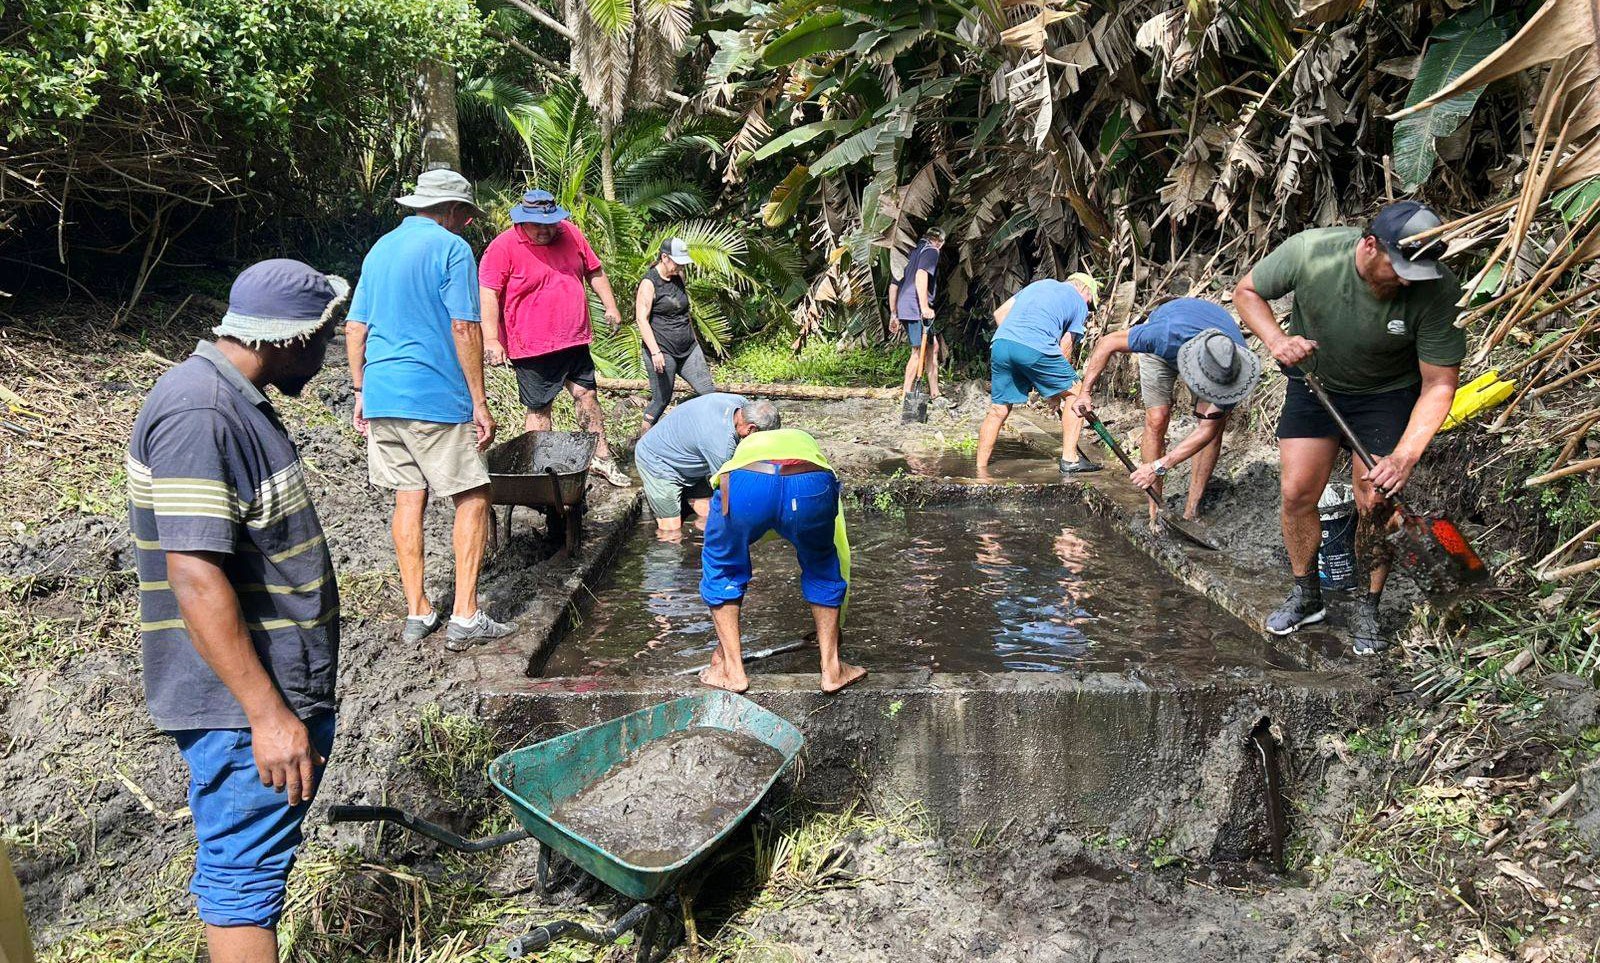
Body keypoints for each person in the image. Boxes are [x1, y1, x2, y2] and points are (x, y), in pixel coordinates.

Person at [128, 259, 347, 963]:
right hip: (240, 705)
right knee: (242, 880)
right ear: (288, 339)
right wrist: (268, 713)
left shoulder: (230, 400)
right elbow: (194, 577)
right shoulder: (204, 413)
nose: (330, 350)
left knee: (249, 870)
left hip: (263, 693)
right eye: (325, 335)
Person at [1233, 200, 1464, 655]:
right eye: (1398, 269)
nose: (1403, 281)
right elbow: (1247, 292)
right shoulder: (1311, 253)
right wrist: (1277, 340)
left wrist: (1404, 456)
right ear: (1369, 246)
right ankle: (1306, 595)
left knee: (1375, 500)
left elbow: (1439, 384)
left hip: (1387, 393)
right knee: (1298, 492)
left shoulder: (1436, 291)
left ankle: (1368, 605)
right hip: (1314, 383)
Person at [346, 168, 517, 650]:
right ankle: (465, 614)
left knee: (408, 495)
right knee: (473, 494)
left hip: (381, 393)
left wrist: (361, 391)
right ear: (451, 213)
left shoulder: (379, 249)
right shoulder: (452, 249)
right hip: (433, 395)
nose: (466, 225)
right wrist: (480, 404)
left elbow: (354, 329)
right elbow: (465, 328)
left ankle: (418, 611)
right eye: (465, 216)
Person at [697, 427, 867, 694]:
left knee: (723, 566)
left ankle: (733, 671)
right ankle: (832, 670)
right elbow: (841, 552)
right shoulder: (806, 443)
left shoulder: (744, 448)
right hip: (809, 482)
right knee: (822, 564)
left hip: (748, 482)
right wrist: (839, 627)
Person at [479, 189, 631, 487]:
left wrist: (611, 306)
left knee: (587, 396)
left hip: (574, 338)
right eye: (539, 225)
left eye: (551, 224)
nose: (547, 230)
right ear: (522, 222)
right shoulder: (503, 247)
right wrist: (491, 339)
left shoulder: (570, 234)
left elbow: (595, 271)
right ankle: (541, 473)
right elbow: (489, 294)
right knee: (539, 408)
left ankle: (601, 457)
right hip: (531, 346)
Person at [1072, 298, 1262, 524]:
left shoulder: (1233, 367)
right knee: (1157, 419)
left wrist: (1160, 466)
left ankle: (1191, 511)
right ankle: (1155, 509)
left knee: (1212, 425)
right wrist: (1085, 391)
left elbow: (1207, 430)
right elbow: (1107, 342)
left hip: (1213, 360)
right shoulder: (1163, 335)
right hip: (1164, 351)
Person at [975, 273, 1101, 474]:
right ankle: (1070, 460)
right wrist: (1054, 392)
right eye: (1090, 302)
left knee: (998, 410)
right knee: (1077, 394)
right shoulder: (1078, 301)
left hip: (1002, 343)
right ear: (1085, 290)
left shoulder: (1038, 285)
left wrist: (1019, 348)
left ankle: (980, 470)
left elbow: (1000, 314)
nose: (1088, 307)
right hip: (1035, 347)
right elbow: (1065, 346)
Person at [634, 393, 780, 535]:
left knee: (707, 513)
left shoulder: (740, 403)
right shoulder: (721, 445)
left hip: (687, 455)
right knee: (672, 530)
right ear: (751, 428)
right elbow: (727, 489)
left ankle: (701, 548)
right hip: (657, 461)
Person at [636, 237, 715, 433]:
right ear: (664, 257)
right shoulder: (649, 283)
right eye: (677, 262)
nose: (680, 266)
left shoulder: (679, 277)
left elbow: (685, 312)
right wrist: (655, 352)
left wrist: (696, 342)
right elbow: (641, 319)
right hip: (663, 351)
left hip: (688, 348)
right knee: (662, 399)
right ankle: (641, 441)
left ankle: (710, 434)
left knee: (709, 393)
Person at [888, 228, 946, 404]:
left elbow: (893, 285)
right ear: (939, 241)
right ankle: (907, 395)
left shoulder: (909, 253)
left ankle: (935, 393)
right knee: (918, 351)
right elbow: (921, 276)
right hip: (915, 308)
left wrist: (893, 314)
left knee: (932, 347)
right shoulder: (931, 251)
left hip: (905, 307)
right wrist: (924, 307)